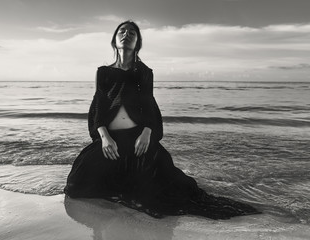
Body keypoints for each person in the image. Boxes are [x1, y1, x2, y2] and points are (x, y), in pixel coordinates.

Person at [64, 20, 260, 219]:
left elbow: (149, 104)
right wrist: (104, 137)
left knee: (162, 190)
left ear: (137, 43)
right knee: (75, 186)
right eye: (122, 31)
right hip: (111, 139)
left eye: (132, 33)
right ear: (114, 41)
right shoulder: (104, 72)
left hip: (137, 137)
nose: (126, 34)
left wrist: (147, 133)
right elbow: (99, 106)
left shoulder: (144, 72)